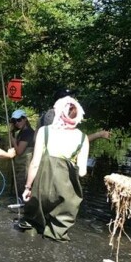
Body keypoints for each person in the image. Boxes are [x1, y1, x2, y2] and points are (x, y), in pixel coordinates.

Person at [20, 96, 89, 241]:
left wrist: (28, 187)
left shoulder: (44, 131)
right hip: (65, 193)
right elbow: (82, 172)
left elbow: (35, 163)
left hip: (40, 189)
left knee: (31, 224)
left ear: (58, 112)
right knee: (58, 233)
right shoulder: (83, 138)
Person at [38, 88, 111, 142]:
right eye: (72, 98)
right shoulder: (61, 120)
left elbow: (35, 139)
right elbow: (77, 142)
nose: (75, 100)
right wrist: (99, 134)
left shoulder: (43, 117)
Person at [9, 109, 35, 197]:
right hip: (21, 165)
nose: (17, 122)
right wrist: (12, 131)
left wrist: (12, 139)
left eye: (19, 120)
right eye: (14, 121)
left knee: (22, 188)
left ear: (25, 119)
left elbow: (19, 151)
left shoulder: (28, 133)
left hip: (25, 167)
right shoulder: (21, 132)